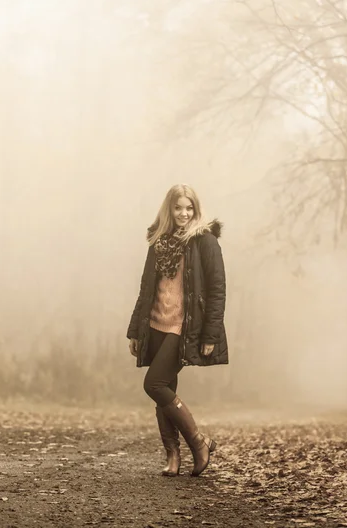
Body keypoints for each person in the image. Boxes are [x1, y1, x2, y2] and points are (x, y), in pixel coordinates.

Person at [127, 184, 228, 478]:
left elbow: (217, 291)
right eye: (178, 208)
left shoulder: (205, 242)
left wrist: (210, 335)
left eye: (189, 208)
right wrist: (136, 330)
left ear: (196, 210)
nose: (184, 213)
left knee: (154, 385)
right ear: (168, 210)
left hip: (182, 328)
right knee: (164, 391)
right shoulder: (159, 240)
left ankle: (198, 442)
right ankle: (173, 456)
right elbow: (147, 289)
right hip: (155, 323)